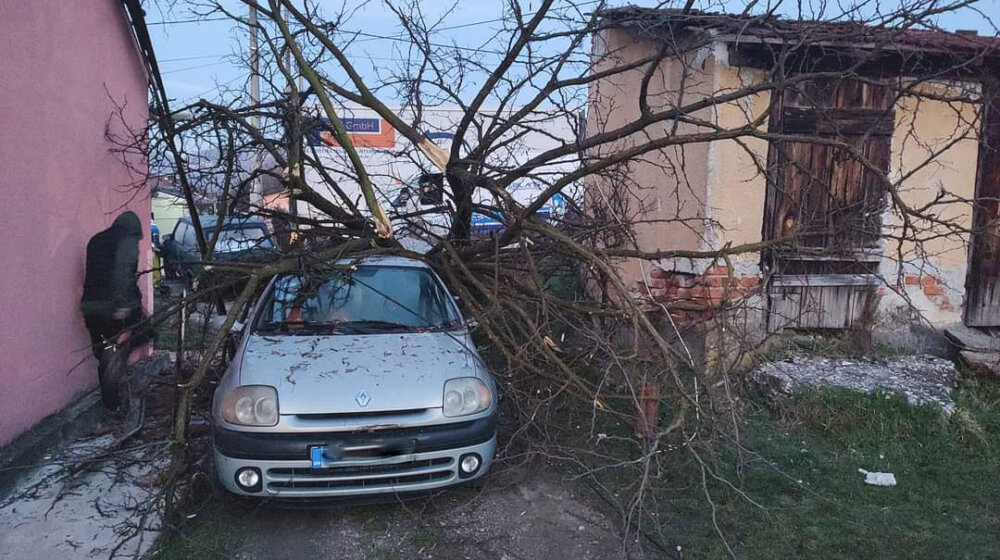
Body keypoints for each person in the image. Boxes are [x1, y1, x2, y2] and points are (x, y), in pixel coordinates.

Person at [81, 211, 146, 410]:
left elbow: (95, 272)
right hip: (113, 305)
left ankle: (112, 402)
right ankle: (114, 405)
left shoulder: (96, 240)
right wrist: (122, 305)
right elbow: (122, 272)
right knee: (141, 332)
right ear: (134, 232)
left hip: (90, 306)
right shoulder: (127, 240)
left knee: (105, 351)